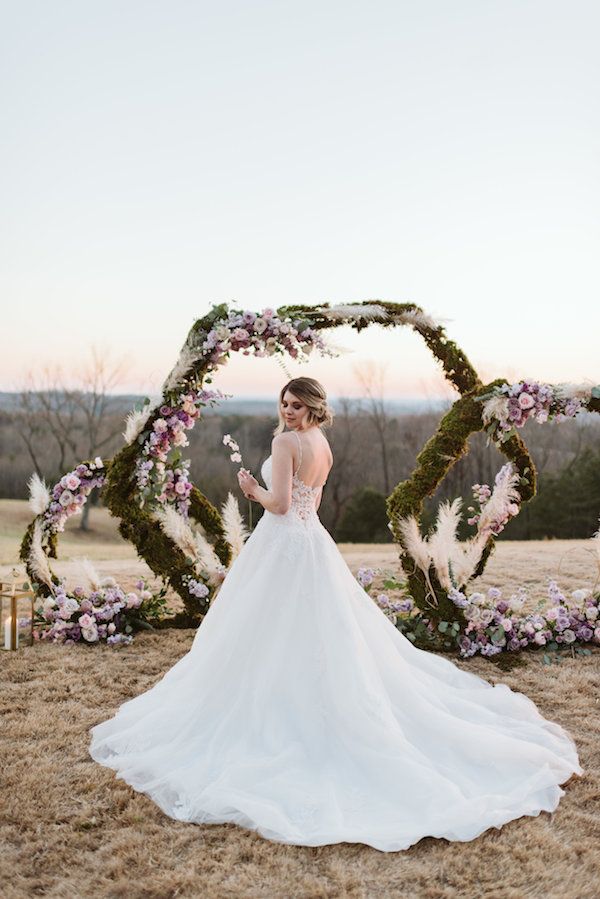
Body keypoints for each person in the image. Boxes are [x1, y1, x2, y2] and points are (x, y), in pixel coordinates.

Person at [89, 376, 583, 852]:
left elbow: (280, 505)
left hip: (283, 542)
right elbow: (313, 503)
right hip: (311, 544)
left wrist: (250, 490)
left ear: (313, 408)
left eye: (297, 405)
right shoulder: (322, 444)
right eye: (284, 402)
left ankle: (278, 705)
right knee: (307, 632)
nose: (287, 411)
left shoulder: (287, 445)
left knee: (268, 630)